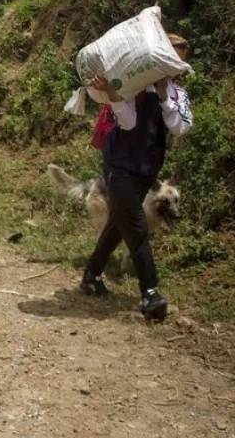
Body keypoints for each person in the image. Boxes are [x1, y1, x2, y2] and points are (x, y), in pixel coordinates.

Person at [80, 33, 193, 320]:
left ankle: (91, 275)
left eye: (179, 63)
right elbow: (127, 122)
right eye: (171, 59)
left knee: (119, 224)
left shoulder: (177, 95)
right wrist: (115, 95)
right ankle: (151, 293)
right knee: (137, 225)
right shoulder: (134, 85)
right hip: (119, 166)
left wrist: (165, 94)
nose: (174, 67)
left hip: (146, 171)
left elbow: (180, 127)